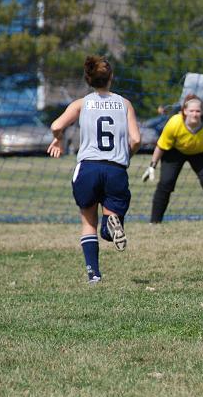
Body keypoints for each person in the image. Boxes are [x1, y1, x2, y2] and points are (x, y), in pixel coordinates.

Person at [47, 55, 142, 285]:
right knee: (110, 218)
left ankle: (94, 275)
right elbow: (137, 139)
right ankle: (111, 227)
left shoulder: (82, 103)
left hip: (88, 168)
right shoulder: (124, 103)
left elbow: (56, 125)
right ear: (111, 78)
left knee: (88, 222)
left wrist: (58, 140)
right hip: (115, 169)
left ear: (88, 79)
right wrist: (125, 155)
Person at [142, 94, 203, 225]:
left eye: (198, 111)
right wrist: (152, 166)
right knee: (166, 183)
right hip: (175, 152)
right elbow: (161, 146)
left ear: (202, 112)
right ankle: (154, 222)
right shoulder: (174, 122)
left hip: (200, 154)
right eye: (191, 111)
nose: (194, 114)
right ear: (184, 111)